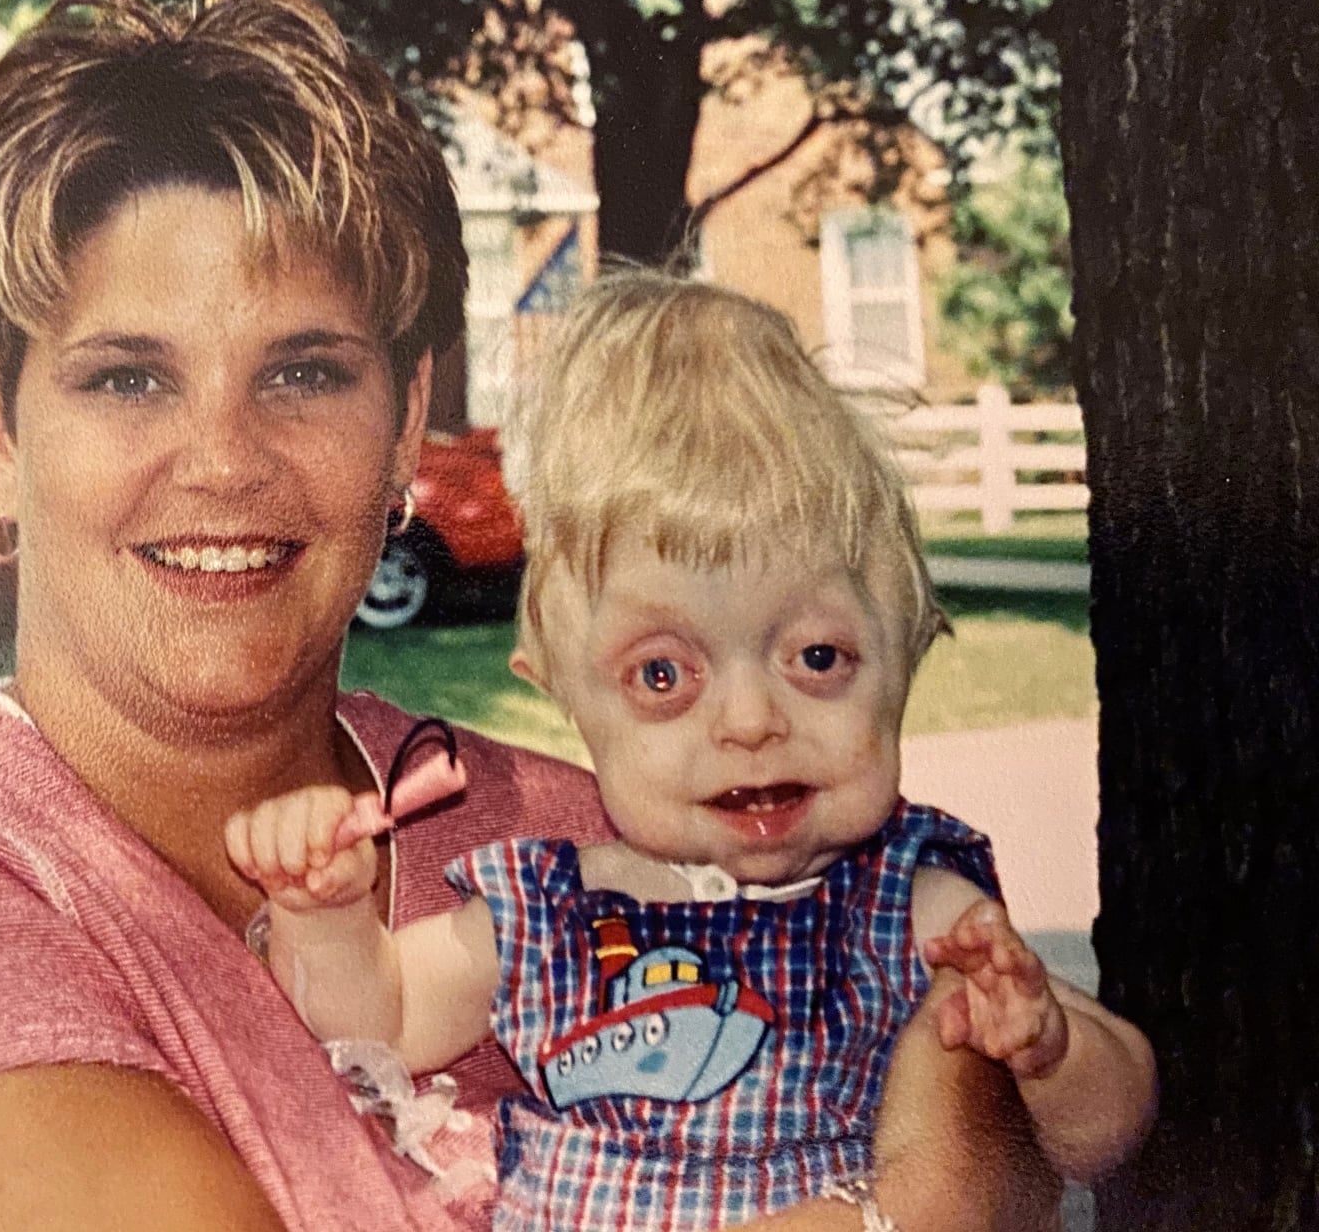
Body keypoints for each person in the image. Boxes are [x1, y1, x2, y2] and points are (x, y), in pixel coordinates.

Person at [0, 0, 1065, 1232]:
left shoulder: (591, 840)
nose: (222, 459)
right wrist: (910, 1201)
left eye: (307, 372)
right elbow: (952, 1158)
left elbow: (998, 1091)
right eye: (127, 378)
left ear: (406, 427)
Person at [228, 270, 1157, 1230]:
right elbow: (373, 1021)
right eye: (664, 676)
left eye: (818, 657)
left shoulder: (909, 902)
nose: (751, 721)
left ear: (907, 646)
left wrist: (1048, 1047)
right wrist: (328, 915)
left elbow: (1106, 1131)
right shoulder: (542, 913)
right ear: (561, 689)